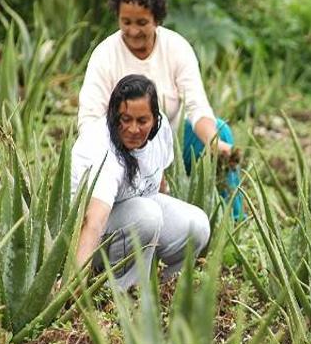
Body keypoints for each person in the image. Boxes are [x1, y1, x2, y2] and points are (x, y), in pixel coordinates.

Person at [78, 0, 242, 219]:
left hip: (172, 144)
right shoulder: (105, 55)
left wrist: (215, 143)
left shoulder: (176, 48)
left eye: (142, 22)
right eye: (126, 22)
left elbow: (198, 107)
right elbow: (90, 120)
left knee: (221, 130)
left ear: (157, 19)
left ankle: (231, 223)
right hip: (122, 150)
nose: (133, 31)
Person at [71, 74, 210, 289]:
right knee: (148, 215)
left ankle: (167, 288)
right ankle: (120, 292)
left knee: (197, 224)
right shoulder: (102, 148)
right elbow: (93, 221)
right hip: (87, 238)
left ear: (155, 119)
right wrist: (73, 279)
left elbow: (158, 176)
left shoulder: (161, 131)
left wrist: (163, 230)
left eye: (142, 121)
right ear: (113, 116)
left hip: (134, 218)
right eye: (125, 119)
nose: (134, 129)